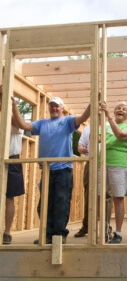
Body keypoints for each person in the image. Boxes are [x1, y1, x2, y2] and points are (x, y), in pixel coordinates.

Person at [11, 96, 90, 244]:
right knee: (45, 205)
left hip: (63, 169)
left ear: (62, 108)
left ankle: (59, 235)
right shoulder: (42, 123)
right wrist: (14, 105)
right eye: (51, 106)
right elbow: (22, 125)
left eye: (57, 106)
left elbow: (83, 117)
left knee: (61, 201)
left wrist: (92, 104)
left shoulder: (67, 121)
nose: (54, 108)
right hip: (47, 170)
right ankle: (48, 234)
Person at [100, 101, 127, 244]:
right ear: (115, 112)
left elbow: (120, 135)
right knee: (99, 197)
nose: (120, 110)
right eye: (118, 108)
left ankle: (118, 233)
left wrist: (108, 117)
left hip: (119, 164)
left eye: (124, 109)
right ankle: (103, 230)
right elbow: (95, 138)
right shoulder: (105, 127)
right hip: (102, 163)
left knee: (118, 198)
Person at [74, 124, 113, 242]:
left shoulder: (109, 126)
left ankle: (106, 229)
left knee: (106, 196)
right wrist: (82, 149)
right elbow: (80, 146)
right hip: (91, 162)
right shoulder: (88, 128)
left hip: (107, 163)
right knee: (89, 195)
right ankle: (86, 226)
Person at [0, 85, 25, 244]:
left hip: (11, 160)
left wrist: (8, 102)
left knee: (9, 198)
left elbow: (17, 124)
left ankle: (7, 232)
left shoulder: (13, 116)